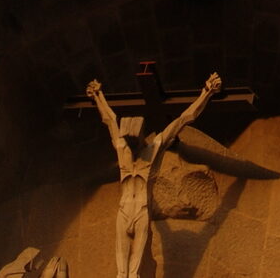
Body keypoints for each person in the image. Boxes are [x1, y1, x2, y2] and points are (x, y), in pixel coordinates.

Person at [87, 73, 223, 278]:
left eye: (134, 143)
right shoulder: (122, 148)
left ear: (141, 139)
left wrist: (206, 93)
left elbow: (183, 119)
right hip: (123, 212)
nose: (131, 147)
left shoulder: (154, 149)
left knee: (133, 273)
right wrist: (98, 96)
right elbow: (109, 120)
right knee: (121, 273)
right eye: (128, 142)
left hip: (142, 212)